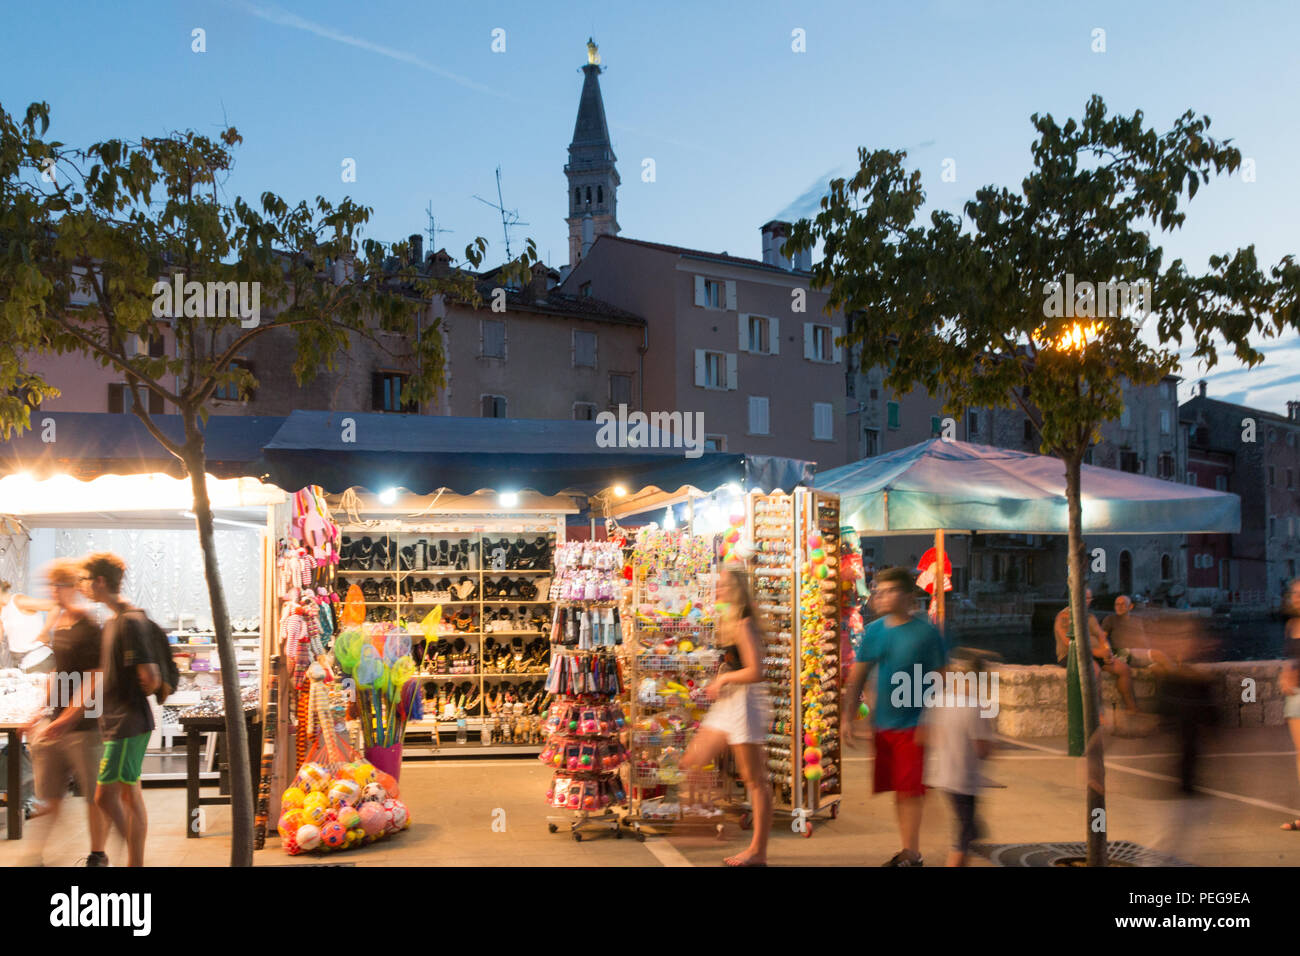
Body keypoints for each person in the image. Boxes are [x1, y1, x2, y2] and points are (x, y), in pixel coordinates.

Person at [842, 566, 948, 866]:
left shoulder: (926, 633)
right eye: (879, 591)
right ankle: (908, 849)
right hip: (884, 725)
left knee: (909, 790)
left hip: (914, 725)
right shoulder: (875, 632)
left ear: (907, 595)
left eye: (890, 591)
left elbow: (940, 678)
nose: (882, 597)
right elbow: (858, 677)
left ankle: (911, 853)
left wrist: (932, 720)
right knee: (899, 791)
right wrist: (847, 717)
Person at [681, 566, 772, 866]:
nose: (717, 590)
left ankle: (757, 851)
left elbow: (757, 671)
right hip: (731, 702)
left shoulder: (744, 623)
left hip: (745, 703)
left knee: (755, 779)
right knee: (692, 758)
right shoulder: (729, 621)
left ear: (735, 589)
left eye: (721, 586)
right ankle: (712, 819)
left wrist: (722, 681)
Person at [22, 560, 110, 867]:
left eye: (58, 586)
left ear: (73, 588)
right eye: (50, 586)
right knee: (50, 795)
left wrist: (66, 719)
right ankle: (34, 856)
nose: (53, 592)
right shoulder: (60, 623)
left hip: (85, 725)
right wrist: (40, 711)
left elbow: (93, 678)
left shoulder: (89, 627)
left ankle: (98, 854)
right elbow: (58, 672)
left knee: (93, 795)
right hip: (57, 722)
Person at [84, 552, 159, 868]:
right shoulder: (115, 620)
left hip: (127, 724)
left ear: (100, 581)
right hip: (121, 722)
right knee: (130, 795)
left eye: (86, 580)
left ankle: (132, 859)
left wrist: (128, 695)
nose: (84, 587)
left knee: (104, 798)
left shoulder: (129, 621)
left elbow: (151, 677)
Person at [924, 650, 996, 866]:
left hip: (943, 777)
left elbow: (930, 735)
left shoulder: (942, 699)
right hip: (963, 780)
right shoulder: (976, 706)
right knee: (963, 838)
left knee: (971, 830)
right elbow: (982, 748)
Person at [1055, 588, 1138, 716]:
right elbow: (1069, 644)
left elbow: (1101, 636)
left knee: (1124, 669)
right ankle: (1098, 715)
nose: (1087, 601)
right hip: (1071, 655)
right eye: (1084, 597)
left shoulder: (1090, 617)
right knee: (1094, 671)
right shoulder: (1064, 617)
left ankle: (1131, 708)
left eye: (1089, 598)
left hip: (1094, 654)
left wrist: (1107, 651)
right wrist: (1096, 652)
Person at [1101, 594, 1171, 672]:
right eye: (1117, 604)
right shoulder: (1111, 619)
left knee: (1161, 667)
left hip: (1140, 653)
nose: (1119, 607)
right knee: (1159, 655)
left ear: (1130, 606)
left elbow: (1144, 638)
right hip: (1125, 653)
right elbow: (1102, 638)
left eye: (1123, 604)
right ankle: (1178, 676)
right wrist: (1107, 653)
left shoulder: (1137, 620)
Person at [1280, 579, 1300, 831]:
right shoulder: (1291, 625)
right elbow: (1292, 658)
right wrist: (1285, 671)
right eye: (1294, 593)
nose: (1296, 597)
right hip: (1295, 696)